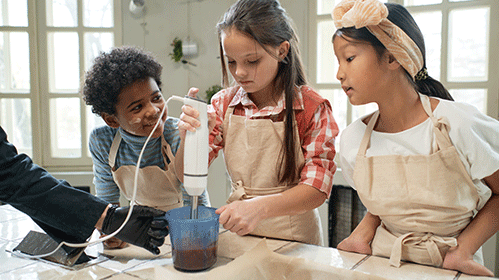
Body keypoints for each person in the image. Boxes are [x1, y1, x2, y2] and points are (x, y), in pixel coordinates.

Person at [332, 0, 499, 276]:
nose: (339, 74)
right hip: (383, 265)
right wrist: (361, 235)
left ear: (392, 58)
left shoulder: (457, 124)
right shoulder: (354, 140)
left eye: (349, 58)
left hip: (450, 270)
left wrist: (463, 251)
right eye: (338, 61)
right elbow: (392, 203)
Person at [180, 0, 339, 246]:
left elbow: (316, 191)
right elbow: (185, 174)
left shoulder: (311, 108)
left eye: (251, 61)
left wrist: (259, 208)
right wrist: (188, 137)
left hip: (297, 241)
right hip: (240, 236)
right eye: (231, 61)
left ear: (282, 51)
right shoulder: (222, 105)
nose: (239, 72)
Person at [82, 46, 210, 249]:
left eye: (157, 98)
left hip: (185, 228)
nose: (153, 111)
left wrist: (195, 236)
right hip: (140, 233)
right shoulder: (102, 141)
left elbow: (194, 197)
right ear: (112, 119)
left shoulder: (178, 133)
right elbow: (108, 203)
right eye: (137, 107)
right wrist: (112, 232)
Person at [0, 126, 167, 255]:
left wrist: (107, 218)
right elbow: (10, 175)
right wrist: (107, 219)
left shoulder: (171, 135)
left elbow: (10, 173)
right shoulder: (102, 140)